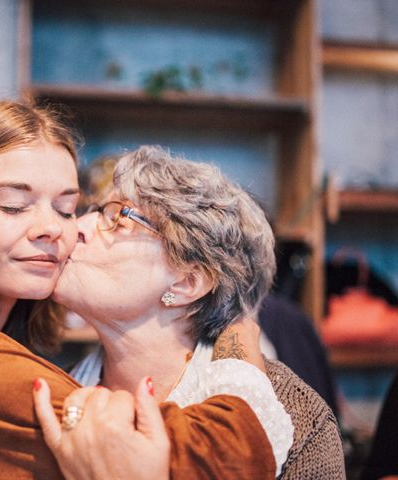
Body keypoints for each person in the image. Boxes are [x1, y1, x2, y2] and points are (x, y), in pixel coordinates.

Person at [0, 101, 285, 479]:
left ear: (188, 281)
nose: (53, 229)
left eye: (66, 208)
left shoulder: (3, 351)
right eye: (13, 205)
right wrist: (241, 333)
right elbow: (222, 460)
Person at [34, 146, 345, 479]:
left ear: (187, 282)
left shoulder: (294, 418)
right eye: (89, 211)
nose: (77, 226)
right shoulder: (49, 394)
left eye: (118, 218)